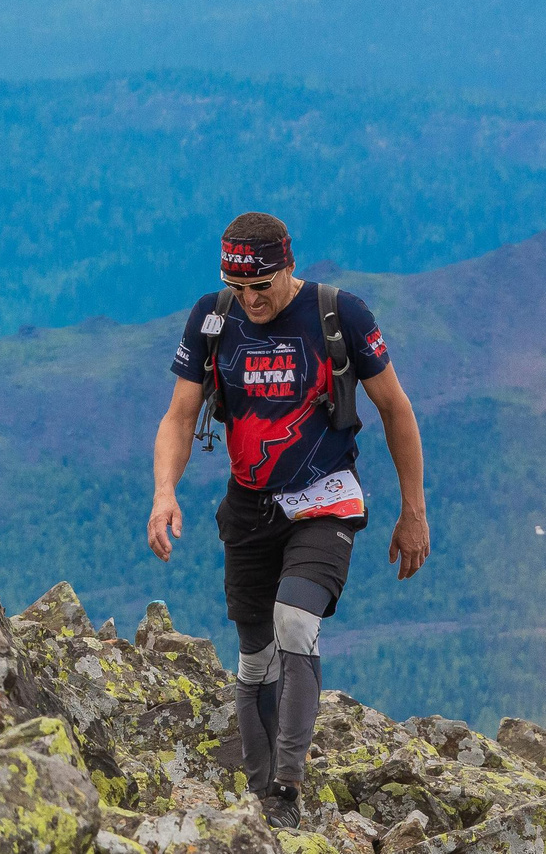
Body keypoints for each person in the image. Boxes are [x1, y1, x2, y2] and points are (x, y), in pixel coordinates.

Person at [146, 211, 428, 828]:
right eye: (239, 287)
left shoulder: (340, 315)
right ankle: (261, 799)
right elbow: (179, 414)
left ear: (289, 267)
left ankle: (288, 789)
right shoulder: (212, 318)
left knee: (296, 623)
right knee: (254, 660)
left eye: (262, 286)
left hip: (324, 497)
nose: (251, 299)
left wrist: (413, 512)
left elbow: (396, 409)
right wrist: (165, 491)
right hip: (248, 510)